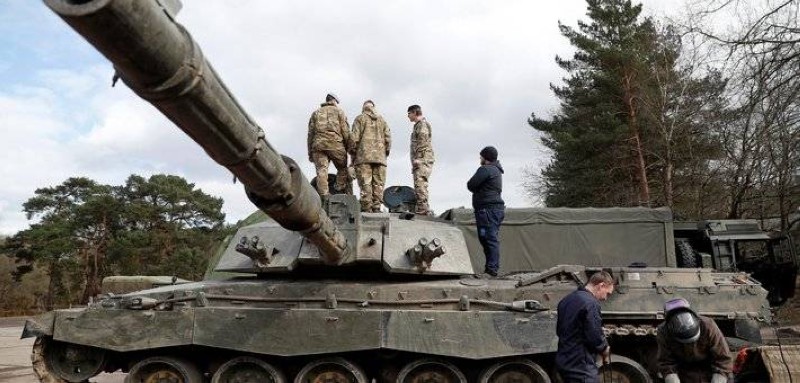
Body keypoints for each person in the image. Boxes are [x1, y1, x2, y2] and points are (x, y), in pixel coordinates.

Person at [556, 271, 614, 383]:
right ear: (601, 285)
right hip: (581, 365)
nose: (606, 298)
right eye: (607, 293)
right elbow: (594, 335)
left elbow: (560, 330)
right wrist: (604, 348)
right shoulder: (591, 303)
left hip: (564, 360)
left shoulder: (566, 300)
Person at [657, 298, 732, 383]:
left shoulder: (708, 325)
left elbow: (723, 359)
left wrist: (719, 378)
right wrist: (672, 378)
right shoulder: (663, 331)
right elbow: (666, 362)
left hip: (710, 370)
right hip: (683, 372)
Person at [466, 146, 505, 276]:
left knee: (489, 238)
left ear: (485, 157)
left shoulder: (486, 169)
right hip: (489, 210)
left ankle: (492, 270)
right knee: (485, 238)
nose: (480, 158)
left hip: (488, 210)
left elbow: (471, 184)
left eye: (481, 156)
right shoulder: (496, 170)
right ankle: (489, 269)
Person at [308, 93, 351, 199]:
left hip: (318, 145)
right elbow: (345, 131)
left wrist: (310, 152)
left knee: (321, 170)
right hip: (336, 145)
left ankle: (324, 195)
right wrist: (349, 147)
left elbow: (310, 134)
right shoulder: (339, 112)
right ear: (334, 101)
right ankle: (338, 188)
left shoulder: (316, 113)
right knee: (342, 168)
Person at [350, 100, 391, 212]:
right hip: (380, 158)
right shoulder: (382, 120)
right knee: (378, 184)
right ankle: (377, 207)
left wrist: (353, 153)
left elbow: (354, 139)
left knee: (365, 183)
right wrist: (384, 153)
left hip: (363, 157)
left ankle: (366, 208)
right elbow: (388, 138)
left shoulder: (360, 118)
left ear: (364, 108)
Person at [407, 104, 434, 215]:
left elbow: (423, 142)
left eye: (409, 114)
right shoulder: (419, 125)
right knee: (419, 183)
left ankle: (423, 208)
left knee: (420, 183)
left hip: (422, 159)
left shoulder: (421, 125)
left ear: (414, 113)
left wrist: (418, 159)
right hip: (422, 159)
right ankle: (422, 207)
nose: (408, 116)